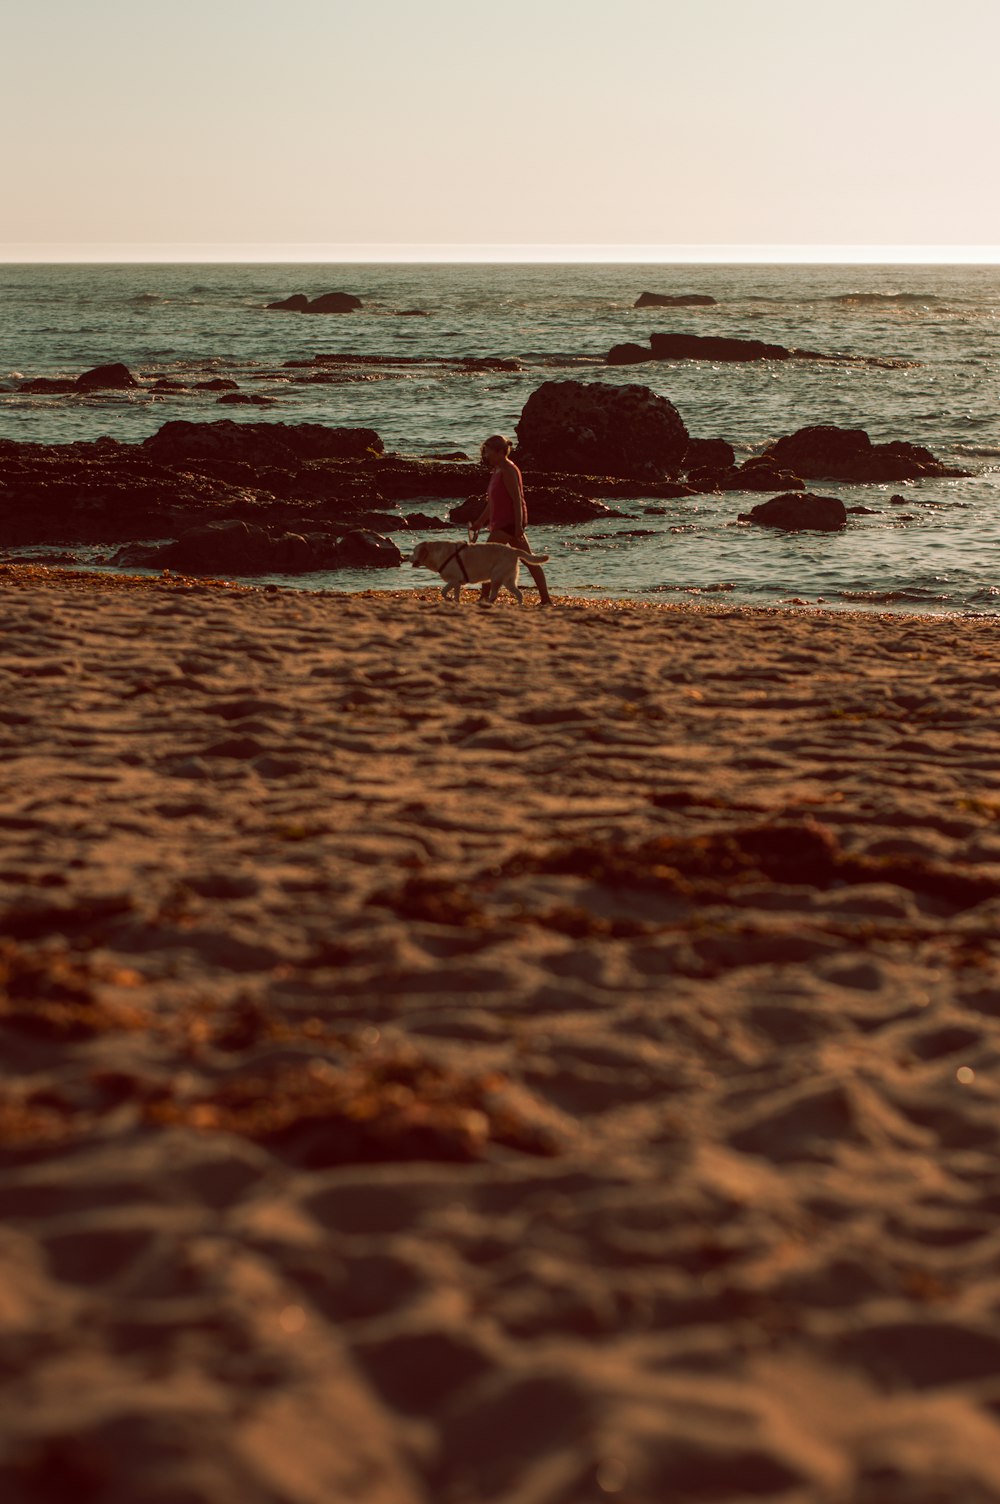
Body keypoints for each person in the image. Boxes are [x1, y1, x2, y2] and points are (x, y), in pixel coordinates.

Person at [471, 434, 553, 606]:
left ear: (501, 452)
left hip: (508, 524)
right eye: (485, 452)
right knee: (529, 560)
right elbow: (492, 503)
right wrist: (480, 521)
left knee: (487, 559)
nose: (486, 456)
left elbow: (517, 499)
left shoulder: (508, 470)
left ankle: (485, 597)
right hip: (503, 523)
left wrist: (518, 526)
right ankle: (546, 599)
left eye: (489, 452)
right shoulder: (498, 470)